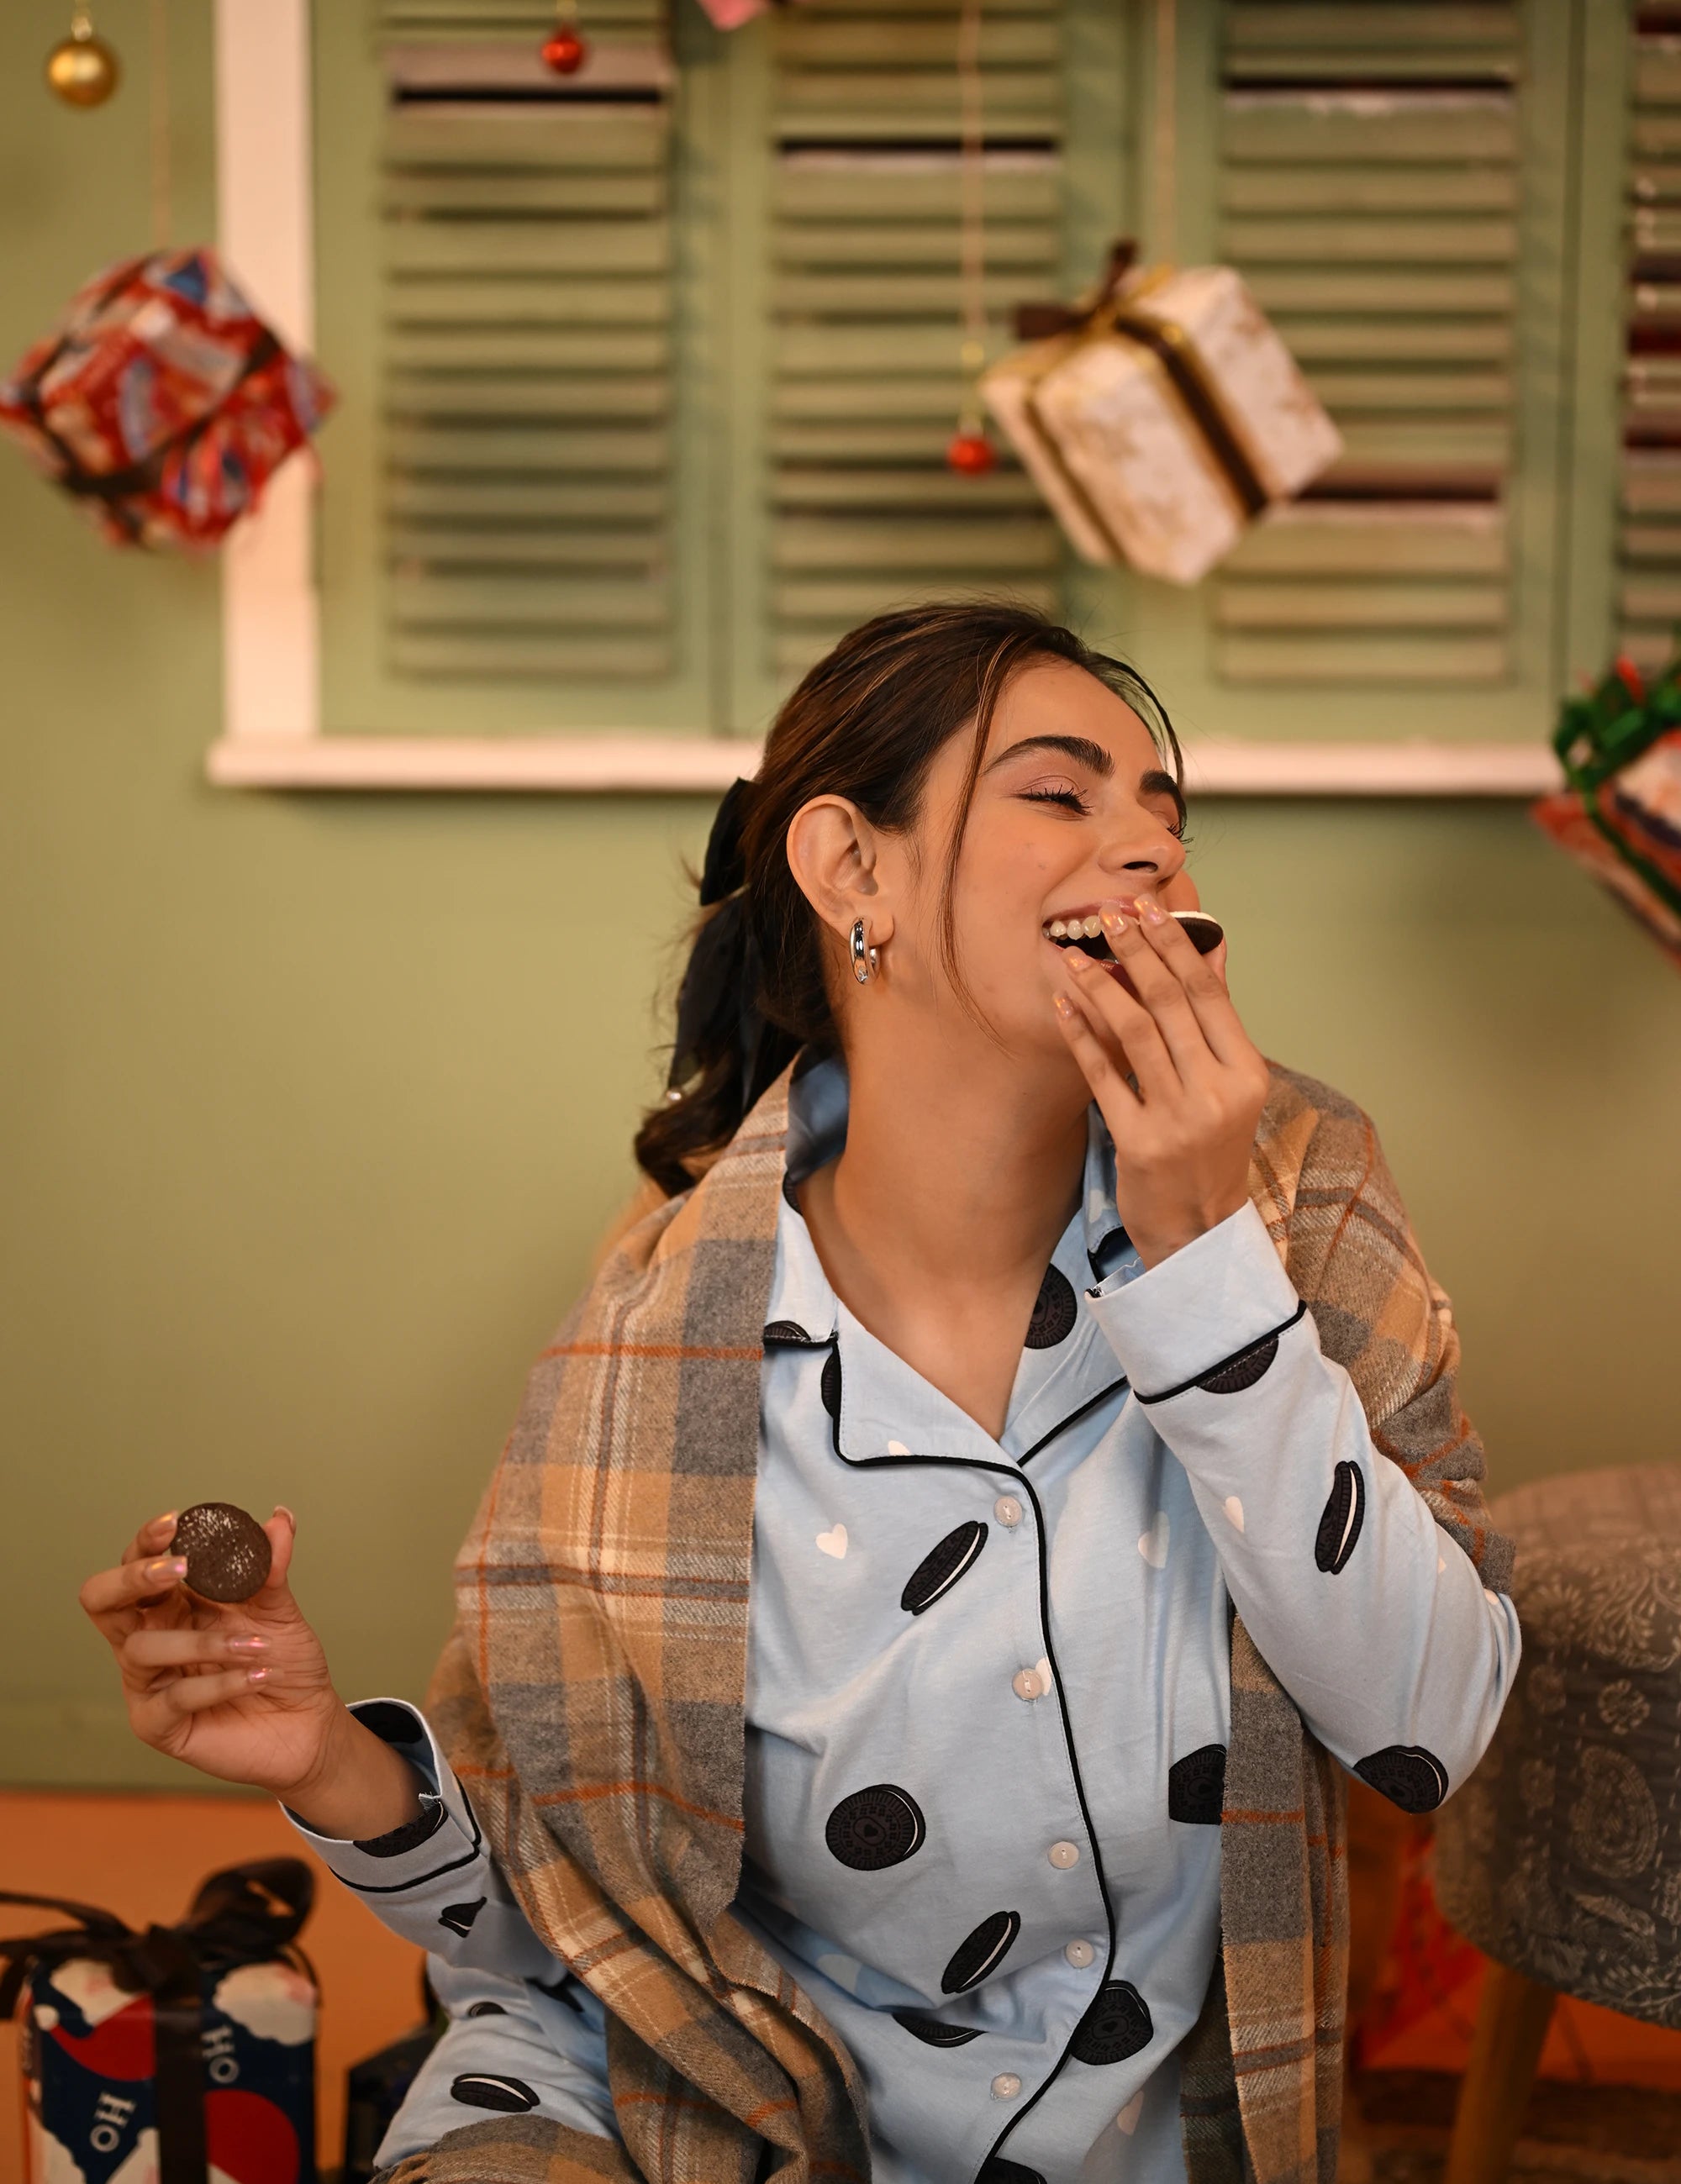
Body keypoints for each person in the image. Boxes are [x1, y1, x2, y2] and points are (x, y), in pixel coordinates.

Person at [81, 606, 1518, 2184]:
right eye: (1063, 794)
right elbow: (567, 1940)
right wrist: (328, 1768)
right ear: (853, 872)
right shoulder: (656, 1352)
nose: (1150, 853)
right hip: (681, 2108)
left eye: (1166, 815)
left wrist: (1203, 1267)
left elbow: (1427, 1734)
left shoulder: (1296, 1202)